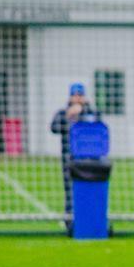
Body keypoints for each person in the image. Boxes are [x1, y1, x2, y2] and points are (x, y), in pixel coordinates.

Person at [50, 82, 101, 234]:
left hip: (89, 159)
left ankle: (89, 220)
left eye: (80, 95)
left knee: (89, 190)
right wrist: (69, 116)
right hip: (69, 159)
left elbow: (98, 125)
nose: (77, 98)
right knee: (70, 191)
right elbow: (54, 128)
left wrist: (83, 112)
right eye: (75, 95)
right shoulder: (63, 113)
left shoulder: (91, 112)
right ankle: (70, 221)